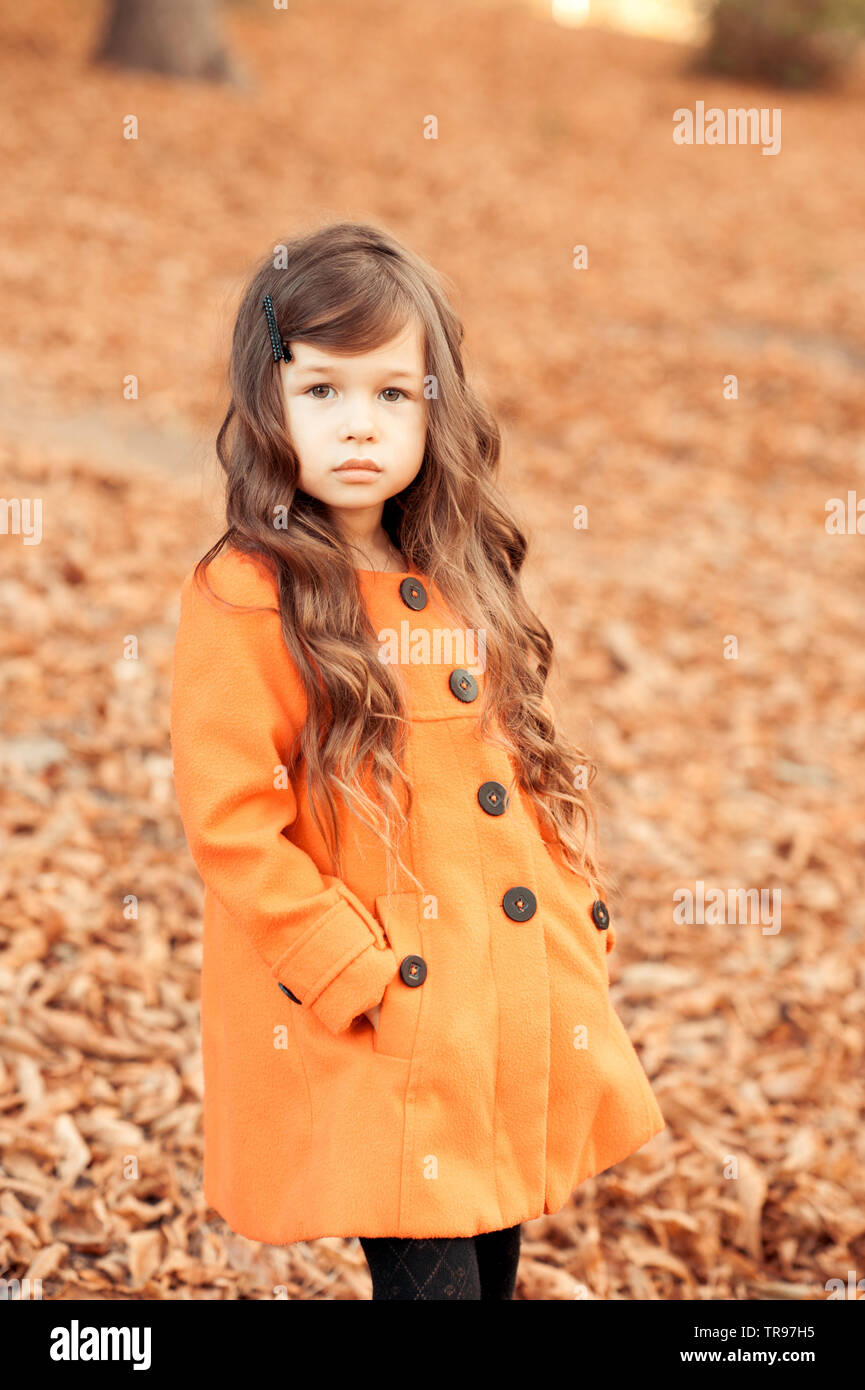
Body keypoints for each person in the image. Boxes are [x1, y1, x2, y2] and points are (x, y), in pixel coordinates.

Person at [169, 220, 666, 1301]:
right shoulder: (248, 593)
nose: (360, 425)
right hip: (381, 1023)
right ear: (269, 404)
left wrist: (577, 906)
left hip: (491, 1008)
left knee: (491, 1252)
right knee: (429, 1272)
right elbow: (231, 821)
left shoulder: (449, 572)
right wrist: (353, 972)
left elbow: (514, 766)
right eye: (324, 393)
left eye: (393, 394)